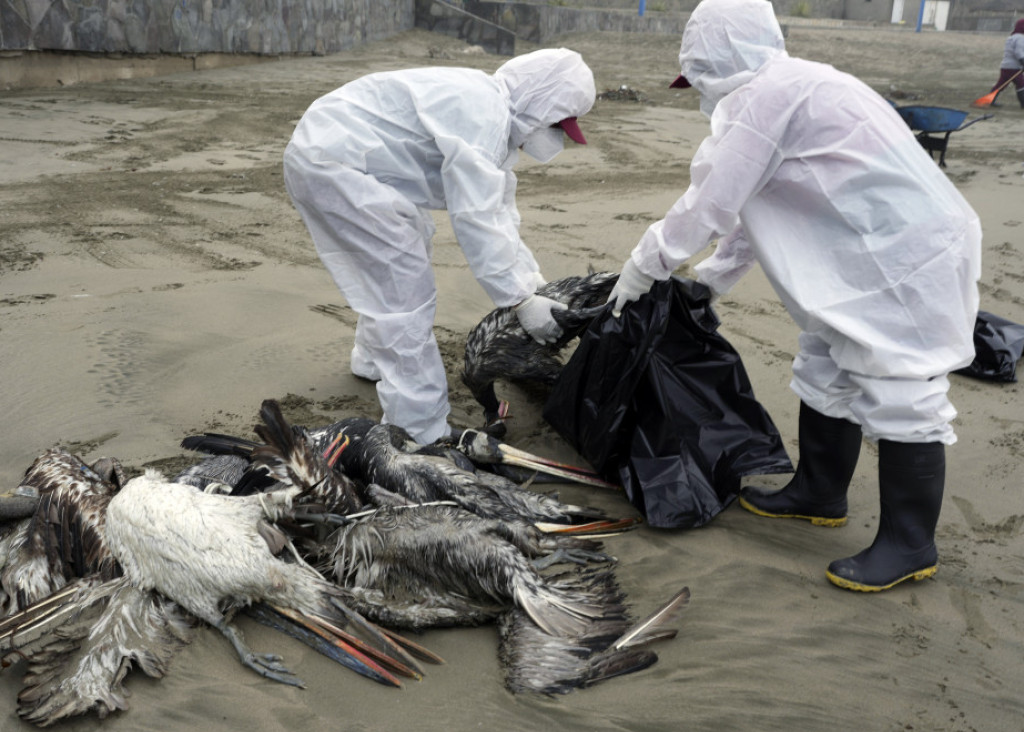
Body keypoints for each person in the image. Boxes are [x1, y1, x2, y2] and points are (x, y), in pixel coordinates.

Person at [607, 0, 981, 592]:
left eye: (699, 72)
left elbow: (710, 204)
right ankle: (820, 492)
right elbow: (758, 207)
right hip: (863, 249)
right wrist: (712, 280)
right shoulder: (789, 87)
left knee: (901, 385)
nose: (699, 86)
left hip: (904, 255)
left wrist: (640, 269)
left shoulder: (766, 100)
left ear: (716, 59)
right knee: (825, 361)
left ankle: (911, 544)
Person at [284, 49, 596, 445]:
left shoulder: (491, 112)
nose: (555, 137)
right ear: (539, 102)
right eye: (556, 124)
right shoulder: (484, 116)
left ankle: (371, 359)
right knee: (403, 288)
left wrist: (534, 284)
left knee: (406, 245)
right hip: (336, 163)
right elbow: (478, 221)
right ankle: (417, 426)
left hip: (336, 152)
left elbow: (500, 211)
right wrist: (520, 299)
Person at [988, 18, 1024, 107]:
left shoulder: (1011, 37)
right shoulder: (1020, 38)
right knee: (1021, 84)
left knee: (1001, 85)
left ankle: (990, 101)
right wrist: (1023, 62)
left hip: (1005, 66)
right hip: (1013, 67)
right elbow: (1019, 52)